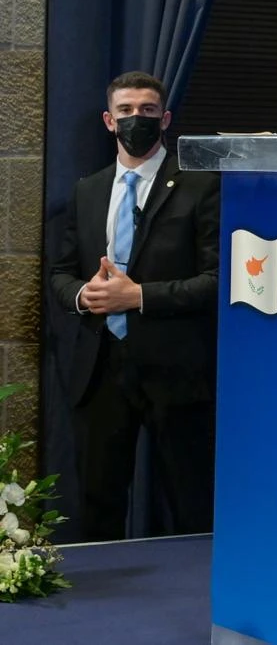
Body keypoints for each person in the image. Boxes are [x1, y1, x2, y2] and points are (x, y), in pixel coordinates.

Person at [49, 71, 220, 541]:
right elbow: (61, 273)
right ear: (109, 120)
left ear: (165, 118)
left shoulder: (201, 185)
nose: (136, 119)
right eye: (125, 111)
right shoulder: (88, 190)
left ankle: (195, 601)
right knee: (98, 501)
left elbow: (219, 281)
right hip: (101, 364)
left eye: (147, 111)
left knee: (190, 503)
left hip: (176, 369)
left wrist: (139, 296)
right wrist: (85, 296)